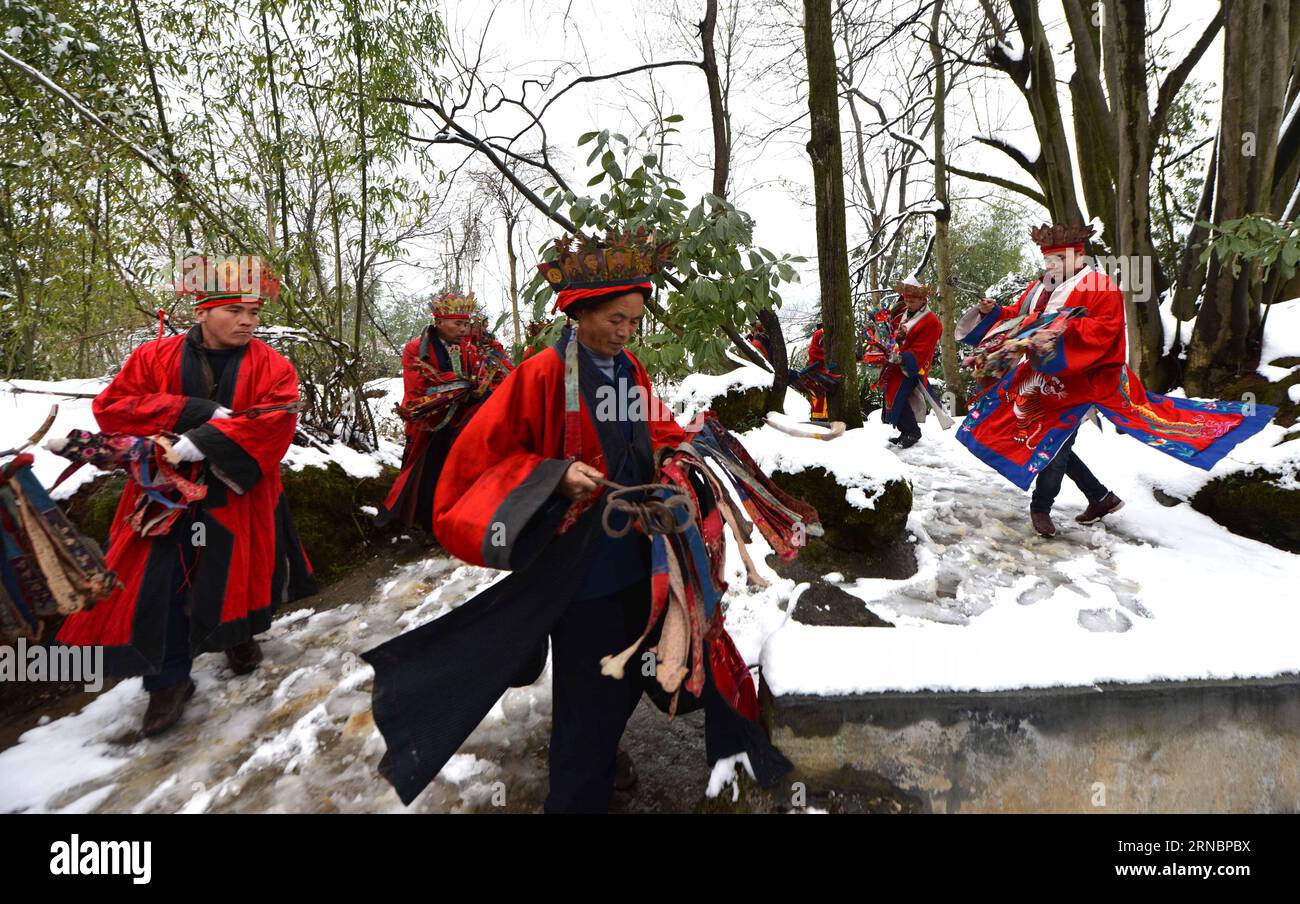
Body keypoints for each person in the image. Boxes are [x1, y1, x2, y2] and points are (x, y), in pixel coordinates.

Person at [362, 230, 793, 812]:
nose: (624, 332)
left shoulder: (627, 370)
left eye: (634, 322)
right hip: (580, 568)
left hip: (639, 553)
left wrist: (679, 453)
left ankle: (598, 757)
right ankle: (574, 795)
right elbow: (484, 458)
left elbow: (655, 430)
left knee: (619, 680)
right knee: (588, 688)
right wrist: (553, 474)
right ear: (579, 312)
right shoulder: (540, 376)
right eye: (615, 319)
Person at [57, 255, 316, 735]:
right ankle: (168, 681)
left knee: (234, 571)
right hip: (161, 495)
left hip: (239, 491)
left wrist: (204, 442)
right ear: (202, 310)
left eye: (255, 313)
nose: (247, 321)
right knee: (160, 584)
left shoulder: (273, 366)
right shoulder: (152, 358)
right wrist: (193, 410)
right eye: (234, 310)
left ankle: (237, 636)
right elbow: (112, 409)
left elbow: (277, 420)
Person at [955, 224, 1276, 537]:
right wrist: (993, 312)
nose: (1051, 266)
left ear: (1078, 256)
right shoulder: (1042, 286)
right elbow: (1018, 316)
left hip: (1081, 379)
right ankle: (1099, 497)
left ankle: (1041, 507)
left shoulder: (1100, 285)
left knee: (1054, 441)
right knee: (1046, 439)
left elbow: (1106, 329)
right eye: (1048, 261)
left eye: (1058, 260)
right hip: (1039, 380)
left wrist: (1062, 330)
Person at [375, 291, 477, 531]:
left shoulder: (467, 349)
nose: (464, 329)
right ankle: (424, 524)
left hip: (459, 422)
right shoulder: (414, 349)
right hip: (429, 423)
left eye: (466, 324)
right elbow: (419, 386)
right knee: (426, 475)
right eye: (458, 323)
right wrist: (461, 383)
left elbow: (475, 378)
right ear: (439, 322)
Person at [881, 279, 943, 448]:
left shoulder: (931, 321)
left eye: (912, 301)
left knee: (898, 396)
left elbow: (924, 348)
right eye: (906, 301)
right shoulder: (906, 313)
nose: (908, 304)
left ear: (923, 300)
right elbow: (895, 333)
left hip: (912, 365)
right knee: (893, 396)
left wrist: (901, 357)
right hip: (897, 363)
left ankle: (912, 432)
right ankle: (905, 431)